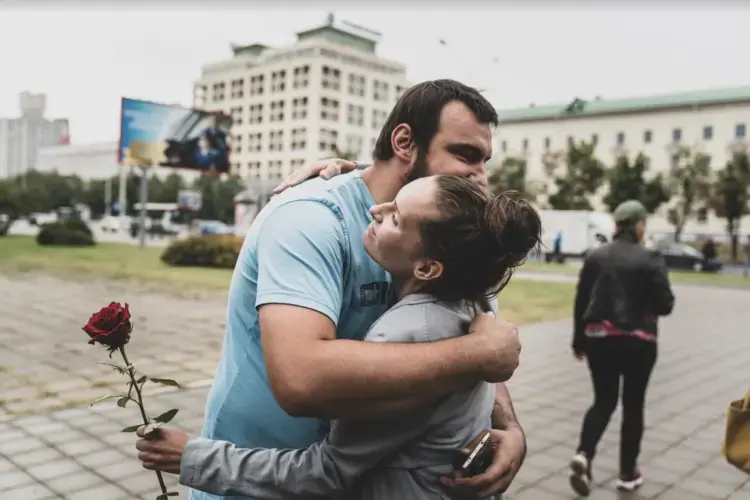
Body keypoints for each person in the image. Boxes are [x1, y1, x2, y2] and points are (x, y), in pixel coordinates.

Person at [175, 80, 527, 500]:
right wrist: (479, 355)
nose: (479, 176)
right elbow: (300, 378)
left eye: (485, 160)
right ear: (404, 142)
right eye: (464, 154)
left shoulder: (458, 238)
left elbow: (476, 341)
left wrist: (509, 429)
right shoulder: (311, 219)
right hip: (252, 484)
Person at [136, 177, 542, 499]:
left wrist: (192, 457)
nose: (375, 209)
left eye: (396, 217)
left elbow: (326, 473)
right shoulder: (471, 304)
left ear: (428, 267)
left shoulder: (406, 335)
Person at [568, 200, 675, 497]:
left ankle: (584, 453)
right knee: (633, 405)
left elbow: (581, 302)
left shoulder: (596, 257)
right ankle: (628, 474)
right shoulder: (651, 257)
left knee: (603, 400)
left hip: (600, 338)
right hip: (639, 342)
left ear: (616, 225)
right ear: (640, 225)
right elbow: (665, 305)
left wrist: (579, 340)